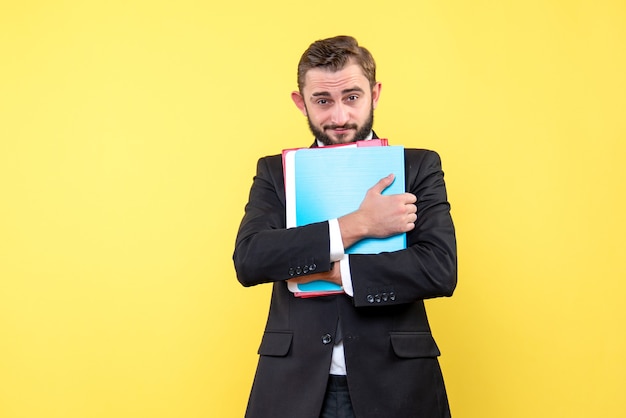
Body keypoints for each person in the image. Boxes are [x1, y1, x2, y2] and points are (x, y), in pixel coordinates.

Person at [233, 35, 457, 418]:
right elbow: (251, 259)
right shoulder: (276, 173)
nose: (339, 117)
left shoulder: (417, 167)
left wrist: (340, 273)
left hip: (397, 384)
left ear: (375, 93)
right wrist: (357, 224)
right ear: (300, 102)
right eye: (323, 101)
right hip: (293, 387)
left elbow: (438, 269)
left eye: (352, 97)